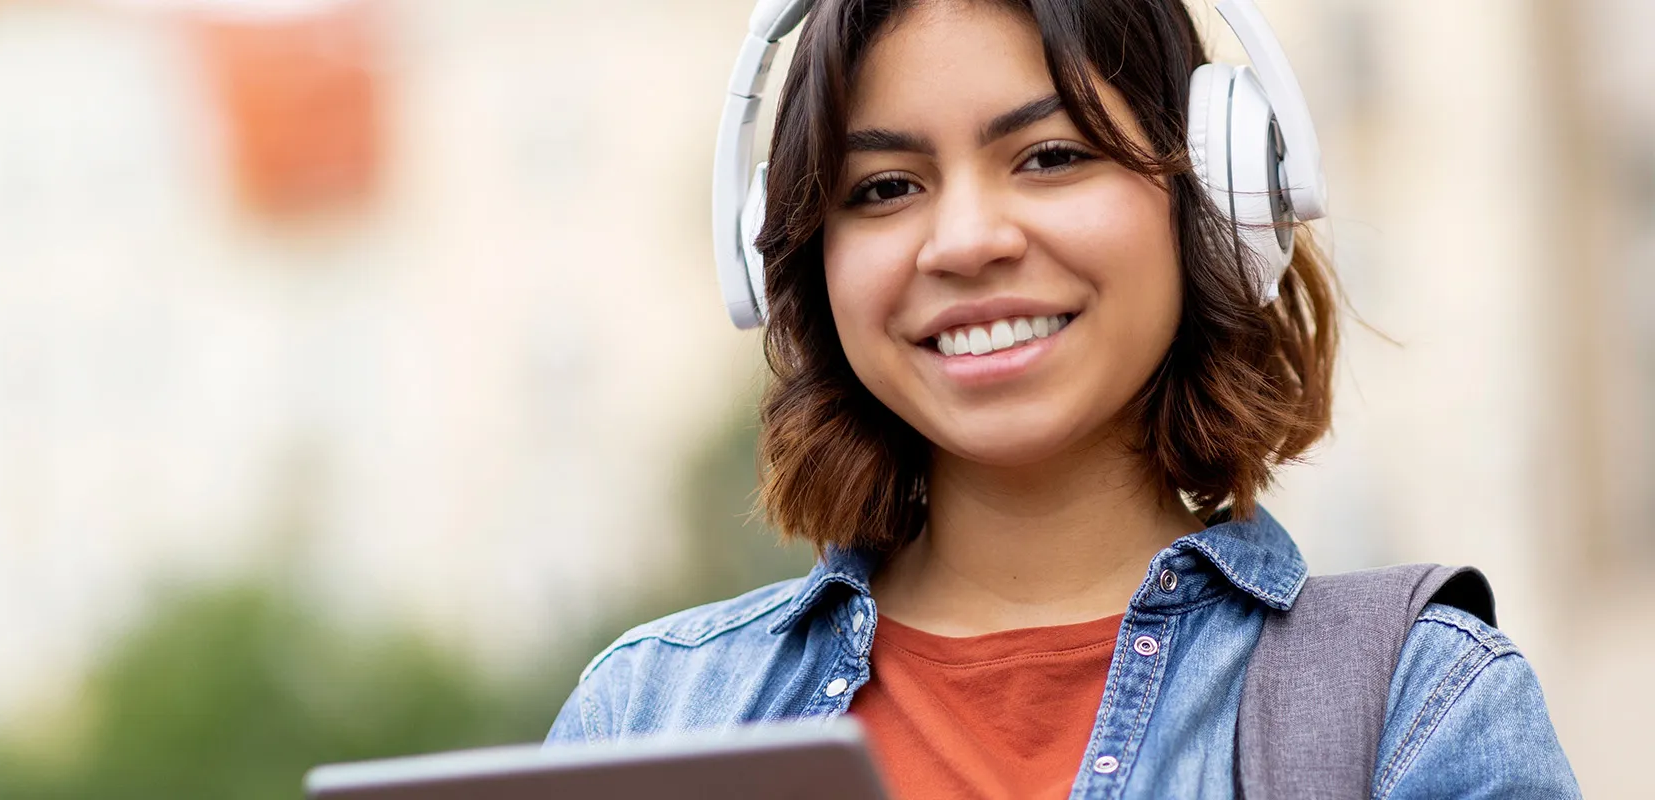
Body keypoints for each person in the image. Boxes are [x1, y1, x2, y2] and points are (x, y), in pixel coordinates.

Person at [542, 0, 1581, 797]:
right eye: (885, 187)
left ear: (1217, 199)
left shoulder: (1415, 709)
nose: (964, 240)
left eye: (1050, 156)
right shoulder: (650, 718)